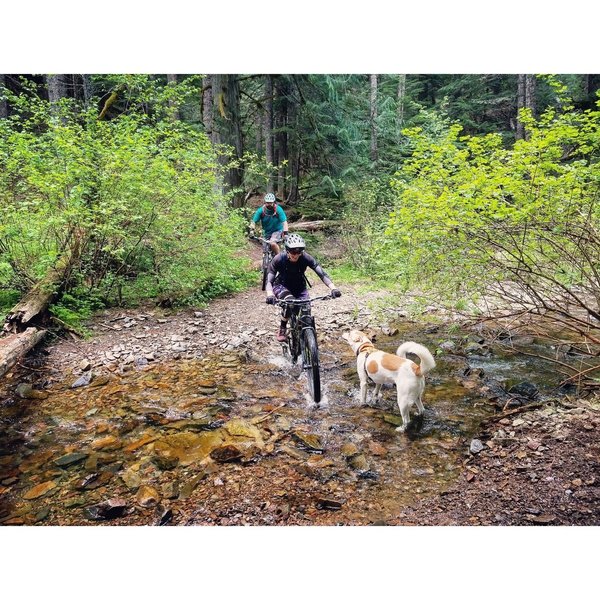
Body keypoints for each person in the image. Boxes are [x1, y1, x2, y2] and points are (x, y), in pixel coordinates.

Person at [265, 233, 342, 342]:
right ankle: (282, 328)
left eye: (299, 251)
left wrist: (333, 288)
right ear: (287, 250)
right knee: (290, 303)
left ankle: (307, 339)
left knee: (306, 310)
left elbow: (322, 274)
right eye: (293, 251)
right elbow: (269, 280)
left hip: (299, 287)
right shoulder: (278, 259)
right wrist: (270, 294)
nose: (296, 255)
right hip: (281, 286)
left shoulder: (306, 258)